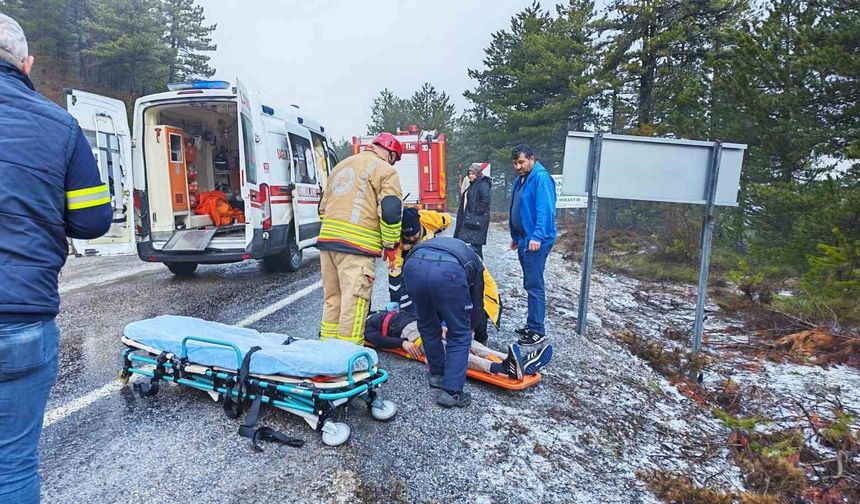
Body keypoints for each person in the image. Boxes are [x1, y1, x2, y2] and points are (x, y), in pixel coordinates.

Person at [0, 13, 112, 503]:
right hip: (20, 316)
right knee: (13, 464)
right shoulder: (61, 126)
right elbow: (92, 221)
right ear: (27, 63)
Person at [317, 132, 403, 345]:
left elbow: (322, 208)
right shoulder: (385, 170)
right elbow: (391, 210)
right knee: (354, 303)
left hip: (328, 243)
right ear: (390, 153)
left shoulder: (341, 167)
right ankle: (349, 357)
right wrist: (390, 245)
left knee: (332, 300)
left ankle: (326, 351)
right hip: (356, 248)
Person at [400, 237, 485, 407]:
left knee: (427, 324)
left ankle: (437, 374)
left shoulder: (446, 247)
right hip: (449, 271)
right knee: (459, 333)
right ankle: (451, 391)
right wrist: (470, 328)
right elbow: (477, 303)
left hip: (413, 265)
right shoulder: (476, 264)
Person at [364, 310, 552, 380]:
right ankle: (499, 367)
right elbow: (378, 341)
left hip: (425, 328)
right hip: (411, 338)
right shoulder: (367, 326)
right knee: (449, 351)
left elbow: (417, 316)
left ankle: (511, 359)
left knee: (464, 340)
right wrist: (402, 343)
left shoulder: (386, 312)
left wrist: (439, 328)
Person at [508, 144, 557, 346]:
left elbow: (545, 210)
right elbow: (519, 208)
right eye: (515, 163)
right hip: (524, 238)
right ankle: (532, 323)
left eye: (521, 162)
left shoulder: (540, 178)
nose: (518, 166)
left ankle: (537, 330)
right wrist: (516, 235)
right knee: (529, 283)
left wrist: (537, 236)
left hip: (536, 240)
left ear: (531, 159)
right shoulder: (521, 180)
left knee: (534, 285)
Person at [387, 207, 451, 314]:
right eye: (408, 237)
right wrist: (395, 299)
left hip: (432, 253)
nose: (411, 239)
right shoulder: (396, 240)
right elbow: (394, 272)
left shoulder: (430, 219)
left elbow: (448, 219)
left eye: (414, 235)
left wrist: (439, 231)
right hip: (409, 258)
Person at [453, 165, 492, 259]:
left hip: (476, 220)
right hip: (469, 218)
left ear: (478, 174)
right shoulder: (472, 185)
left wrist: (475, 214)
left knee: (476, 247)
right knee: (466, 245)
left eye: (473, 173)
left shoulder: (483, 184)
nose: (471, 176)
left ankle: (480, 269)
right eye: (469, 173)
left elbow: (485, 201)